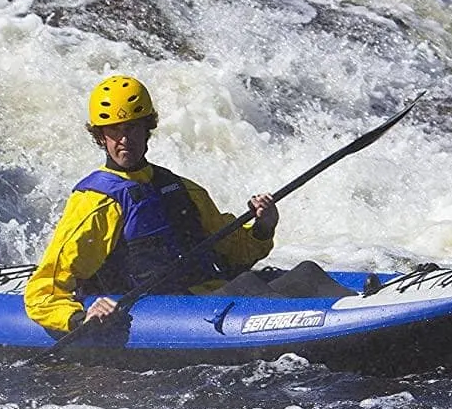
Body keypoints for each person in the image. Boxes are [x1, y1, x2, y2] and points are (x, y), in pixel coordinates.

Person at [24, 74, 281, 335]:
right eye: (114, 129)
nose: (124, 139)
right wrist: (78, 318)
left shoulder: (182, 188)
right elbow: (44, 288)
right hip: (161, 313)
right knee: (253, 287)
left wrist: (263, 227)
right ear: (101, 136)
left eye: (132, 127)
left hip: (207, 297)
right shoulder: (96, 202)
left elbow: (235, 254)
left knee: (306, 274)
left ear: (147, 128)